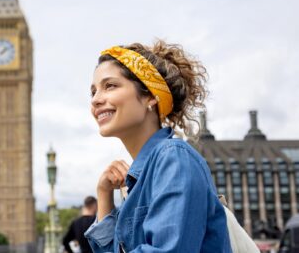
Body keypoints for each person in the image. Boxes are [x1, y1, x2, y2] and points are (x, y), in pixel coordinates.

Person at [84, 40, 232, 252]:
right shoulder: (139, 180)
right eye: (93, 92)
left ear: (150, 97)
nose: (96, 100)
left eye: (110, 86)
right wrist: (104, 194)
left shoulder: (174, 159)